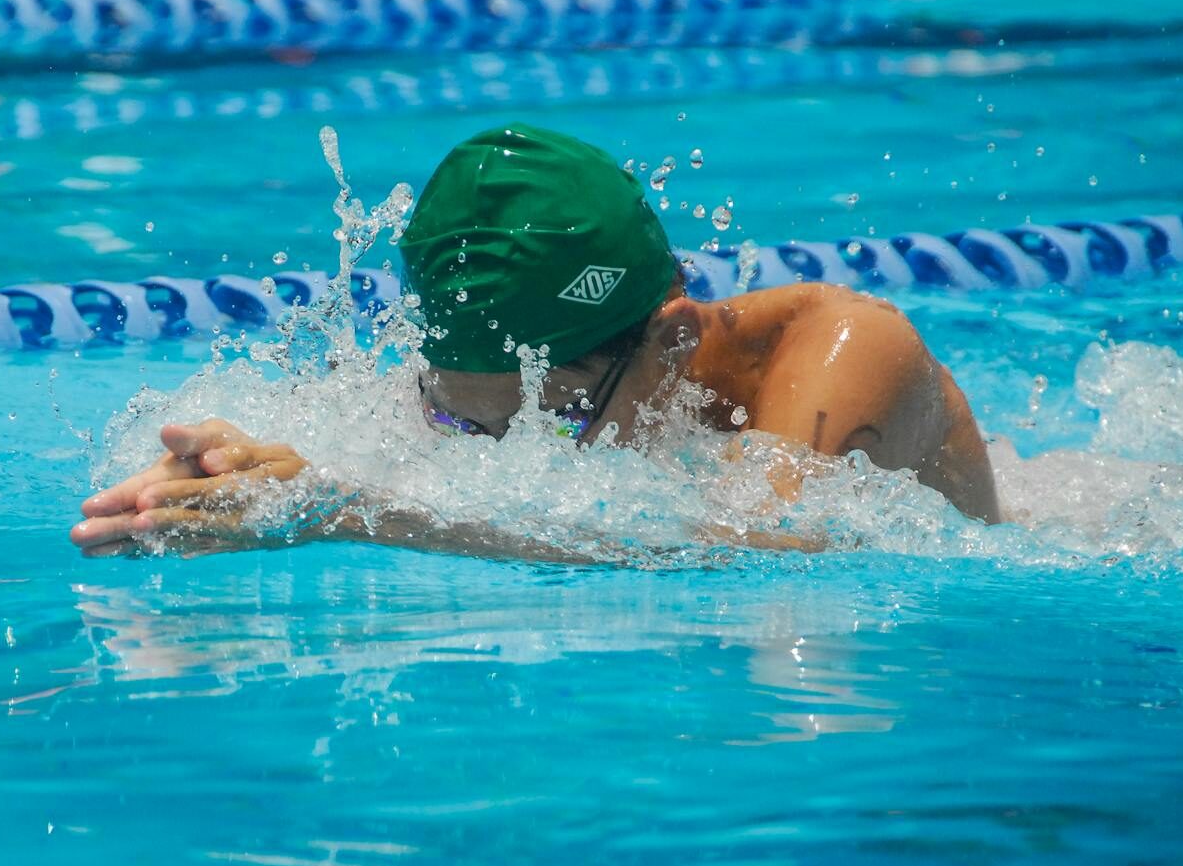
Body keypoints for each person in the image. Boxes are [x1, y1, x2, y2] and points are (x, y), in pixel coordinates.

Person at [71, 122, 1000, 559]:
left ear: (671, 343)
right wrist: (272, 473)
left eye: (553, 421)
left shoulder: (848, 353)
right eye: (458, 422)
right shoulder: (526, 382)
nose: (512, 456)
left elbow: (763, 553)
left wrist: (358, 513)